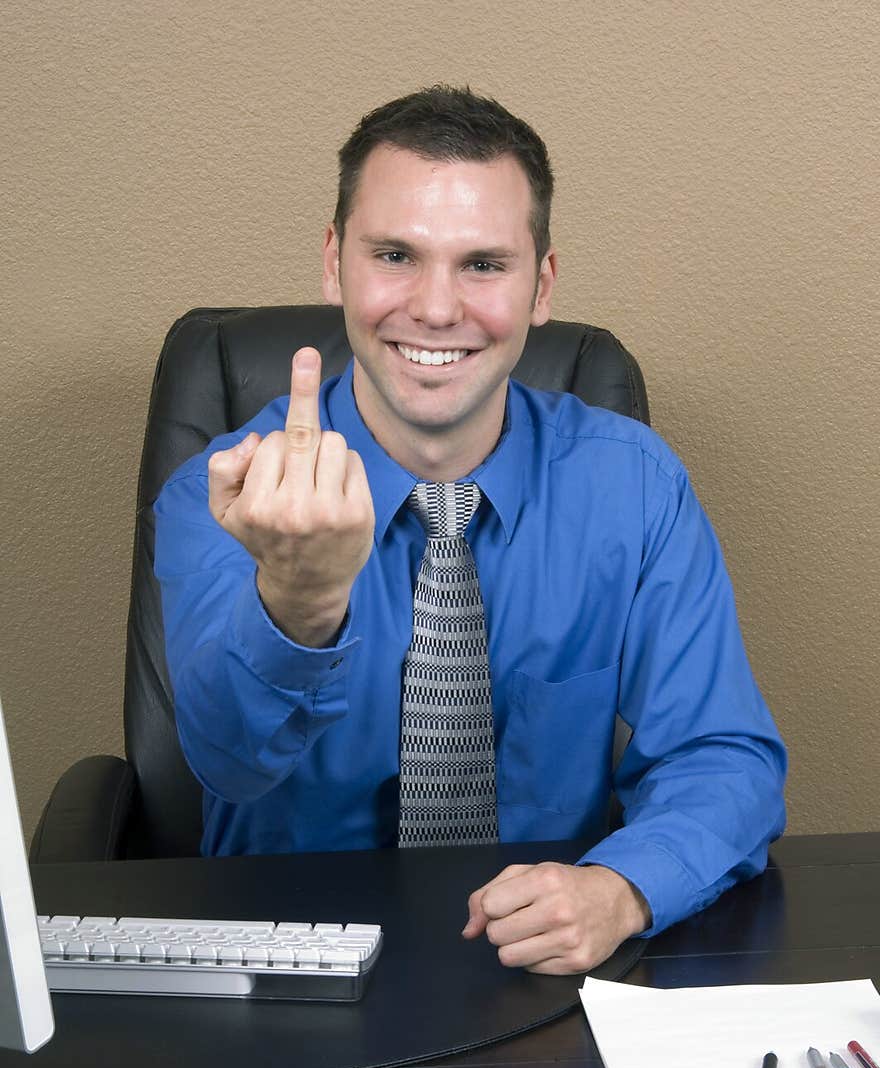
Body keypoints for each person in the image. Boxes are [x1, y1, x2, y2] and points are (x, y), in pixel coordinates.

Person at [154, 85, 787, 975]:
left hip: (537, 976)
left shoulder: (636, 487)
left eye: (484, 264)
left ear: (542, 286)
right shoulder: (224, 493)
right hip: (289, 977)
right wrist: (297, 598)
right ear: (335, 263)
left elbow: (725, 758)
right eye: (395, 255)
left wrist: (622, 888)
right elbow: (224, 763)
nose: (438, 308)